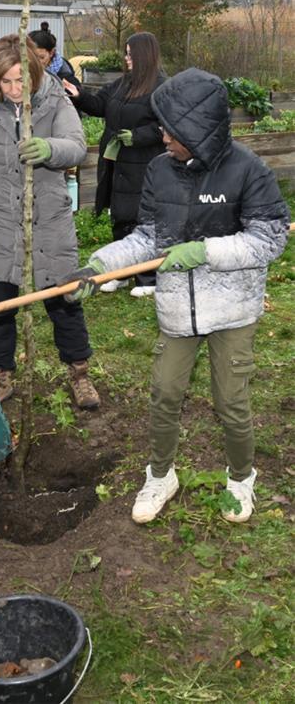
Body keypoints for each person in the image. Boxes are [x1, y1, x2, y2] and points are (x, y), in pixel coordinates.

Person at [65, 68, 290, 525]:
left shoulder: (248, 169)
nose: (162, 134)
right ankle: (161, 475)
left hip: (232, 308)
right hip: (176, 310)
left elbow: (269, 240)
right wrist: (101, 264)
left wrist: (203, 251)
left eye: (170, 127)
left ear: (198, 129)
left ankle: (240, 478)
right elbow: (148, 236)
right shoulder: (159, 171)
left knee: (231, 401)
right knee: (165, 392)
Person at [0, 34, 100, 410]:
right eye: (6, 82)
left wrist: (50, 150)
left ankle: (79, 373)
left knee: (64, 299)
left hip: (47, 217)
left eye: (22, 80)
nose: (15, 89)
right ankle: (0, 376)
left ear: (35, 74)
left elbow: (76, 145)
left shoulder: (55, 101)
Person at [63, 32, 165, 297]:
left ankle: (148, 278)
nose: (126, 58)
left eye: (131, 54)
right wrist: (78, 95)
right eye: (126, 53)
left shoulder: (161, 88)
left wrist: (139, 136)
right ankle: (120, 273)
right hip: (117, 161)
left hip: (144, 163)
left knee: (141, 219)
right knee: (119, 215)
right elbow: (100, 105)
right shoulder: (122, 84)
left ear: (144, 56)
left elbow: (166, 126)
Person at [28, 23, 81, 89]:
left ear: (51, 53)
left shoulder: (66, 77)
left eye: (41, 57)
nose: (36, 62)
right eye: (31, 57)